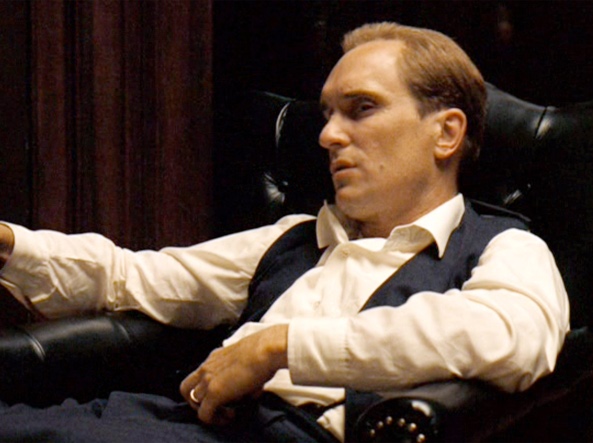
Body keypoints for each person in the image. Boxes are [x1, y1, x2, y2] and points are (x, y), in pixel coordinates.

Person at [0, 22, 569, 442]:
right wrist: (8, 243)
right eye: (327, 115)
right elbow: (131, 276)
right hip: (161, 420)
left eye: (361, 109)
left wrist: (280, 346)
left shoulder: (503, 247)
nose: (328, 136)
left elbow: (508, 336)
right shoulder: (294, 238)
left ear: (445, 133)